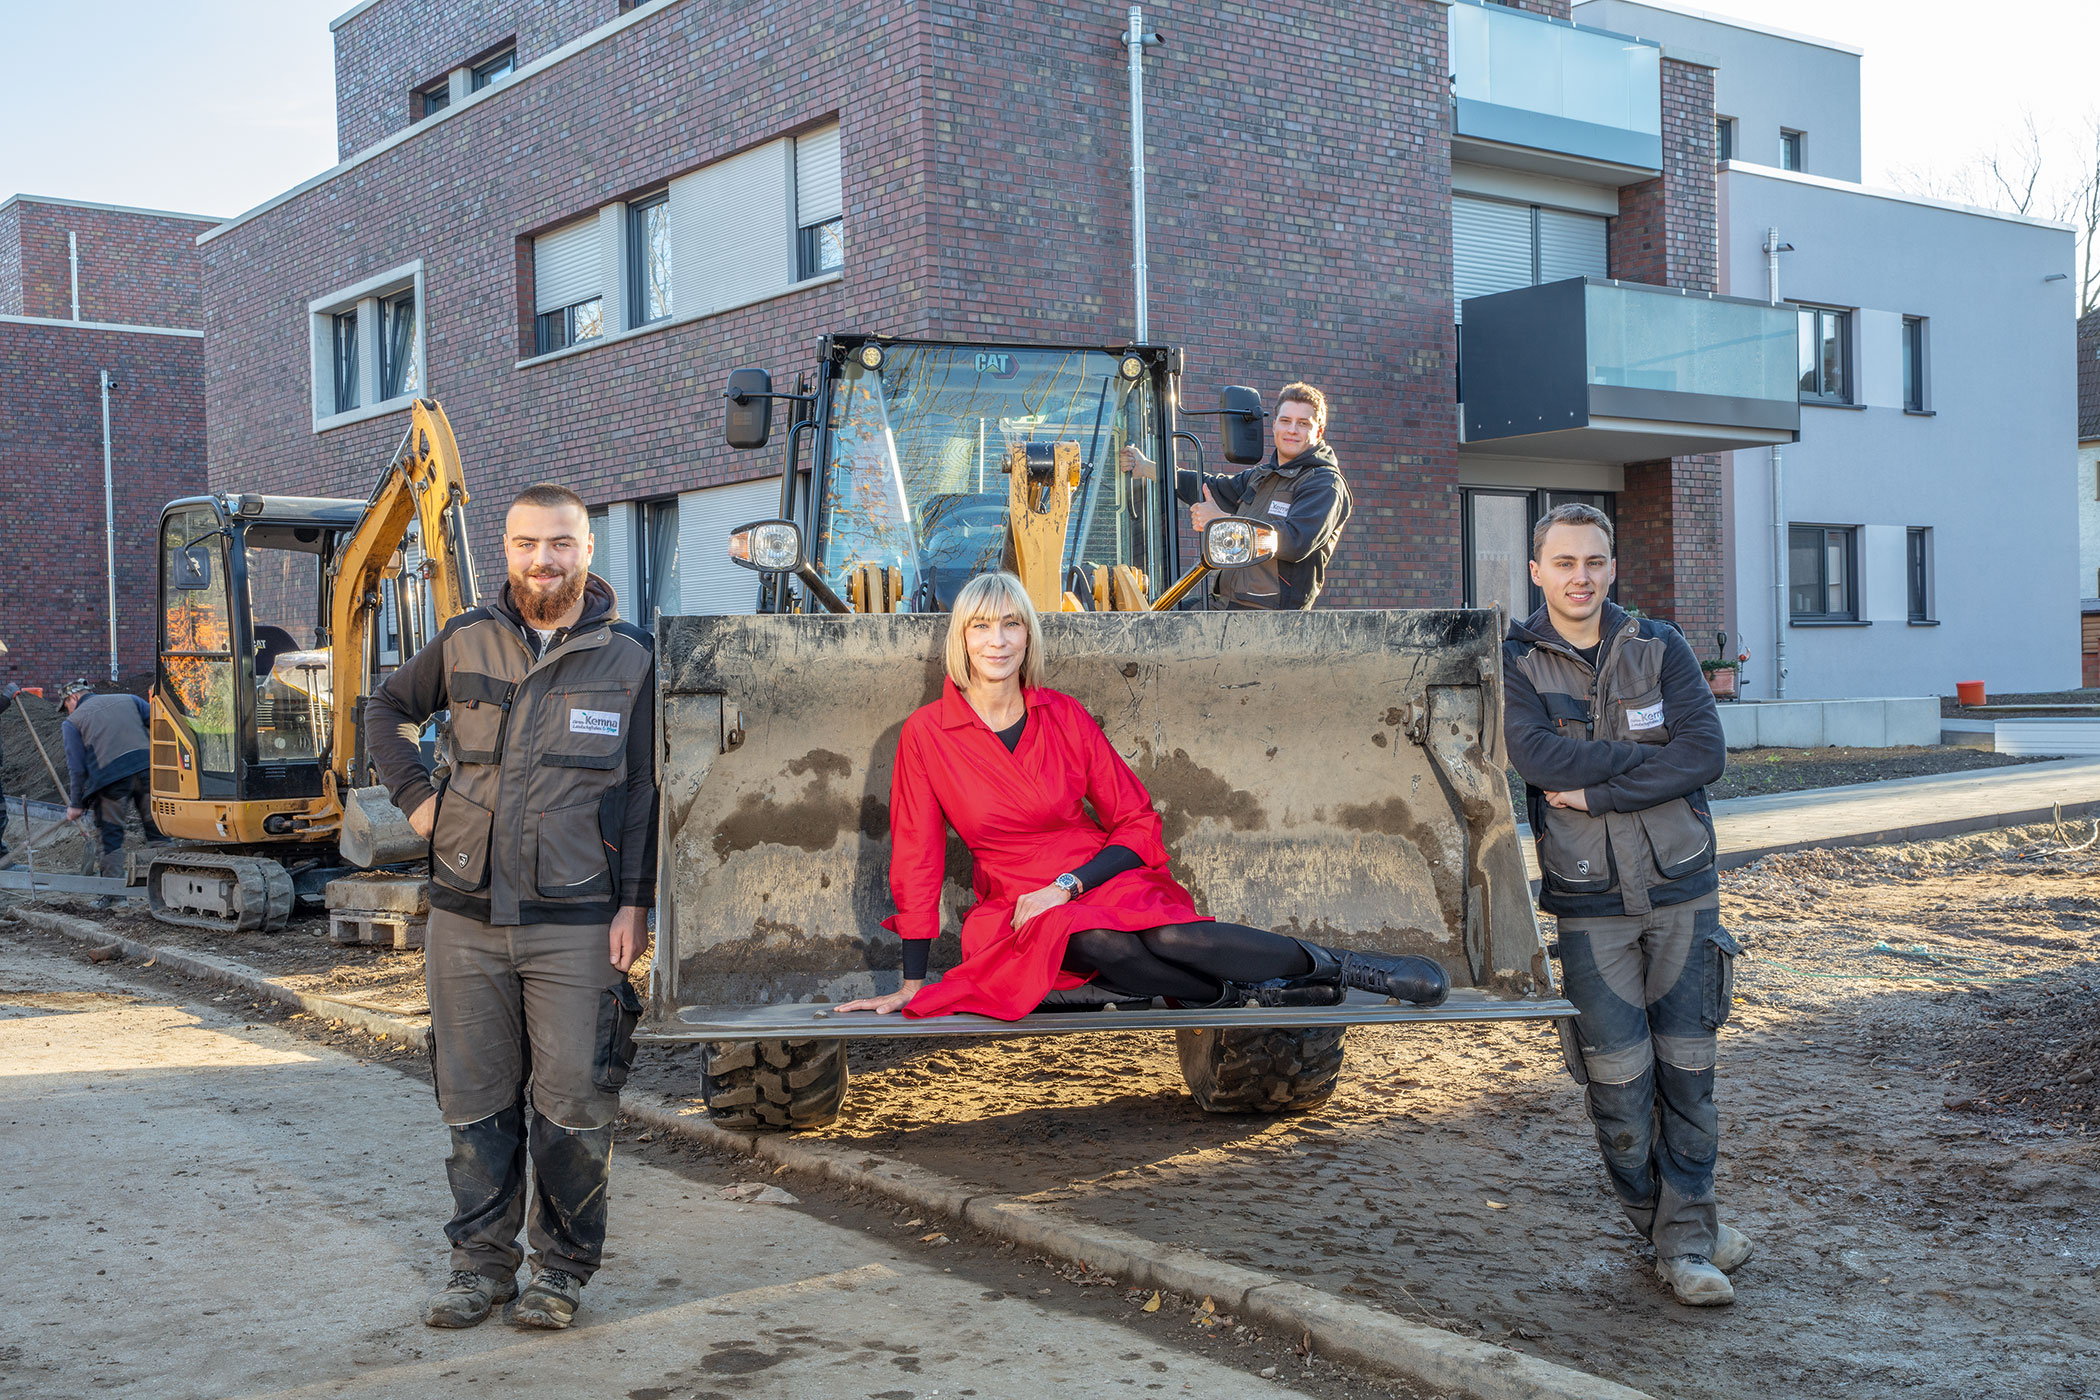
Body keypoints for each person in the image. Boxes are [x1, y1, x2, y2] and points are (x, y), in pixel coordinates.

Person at [835, 571, 1447, 1021]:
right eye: (981, 626)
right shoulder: (927, 735)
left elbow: (1134, 820)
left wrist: (1068, 884)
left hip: (1093, 877)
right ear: (961, 640)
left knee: (1170, 936)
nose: (998, 641)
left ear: (1029, 635)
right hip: (1015, 903)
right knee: (1100, 942)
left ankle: (1351, 966)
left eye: (1012, 623)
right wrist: (912, 980)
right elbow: (916, 858)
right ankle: (1230, 993)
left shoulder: (1065, 717)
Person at [365, 483, 658, 1333]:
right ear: (506, 547)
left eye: (560, 544)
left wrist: (635, 902)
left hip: (576, 920)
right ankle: (479, 1268)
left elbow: (642, 790)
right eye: (529, 544)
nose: (544, 560)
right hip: (464, 918)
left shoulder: (628, 657)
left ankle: (560, 1272)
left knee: (573, 1100)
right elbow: (383, 708)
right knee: (475, 1097)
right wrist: (420, 802)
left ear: (588, 549)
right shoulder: (464, 641)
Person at [1501, 503, 1747, 1307]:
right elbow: (1534, 756)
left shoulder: (1659, 645)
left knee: (1690, 1080)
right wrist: (1649, 758)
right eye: (1564, 562)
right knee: (1619, 1096)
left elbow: (1705, 752)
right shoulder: (1514, 661)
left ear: (1612, 567)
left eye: (1595, 562)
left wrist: (1596, 787)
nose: (1581, 577)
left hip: (1682, 891)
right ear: (1537, 570)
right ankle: (1680, 1227)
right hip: (1589, 906)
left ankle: (1685, 1244)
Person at [1120, 381, 1351, 610]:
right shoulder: (1262, 477)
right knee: (1152, 620)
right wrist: (1147, 467)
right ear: (1273, 427)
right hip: (1227, 603)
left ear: (1318, 431)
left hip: (1269, 617)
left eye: (1303, 424)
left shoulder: (1323, 483)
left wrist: (1221, 523)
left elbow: (1294, 541)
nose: (1292, 430)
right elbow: (1209, 487)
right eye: (1285, 421)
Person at [59, 681, 161, 877]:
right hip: (148, 770)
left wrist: (75, 803)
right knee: (156, 827)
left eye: (66, 707)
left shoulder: (73, 722)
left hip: (111, 781)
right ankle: (166, 887)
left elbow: (76, 768)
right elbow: (161, 722)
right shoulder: (129, 699)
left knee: (110, 836)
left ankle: (114, 896)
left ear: (73, 698)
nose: (68, 712)